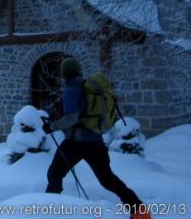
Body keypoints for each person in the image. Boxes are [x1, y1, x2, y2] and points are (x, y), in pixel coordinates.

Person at [42, 57, 152, 219]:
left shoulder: (71, 91)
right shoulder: (89, 87)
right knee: (108, 179)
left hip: (75, 144)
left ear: (64, 74)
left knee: (54, 174)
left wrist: (51, 126)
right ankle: (140, 212)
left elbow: (71, 118)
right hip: (96, 143)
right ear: (78, 71)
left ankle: (49, 212)